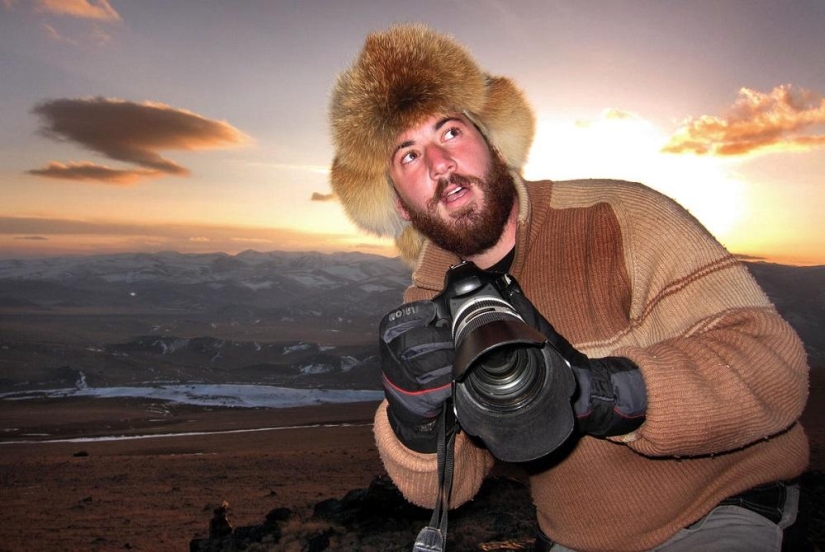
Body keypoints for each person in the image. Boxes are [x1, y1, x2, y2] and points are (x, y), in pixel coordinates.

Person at [328, 24, 811, 552]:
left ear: (491, 143)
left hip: (718, 511)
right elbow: (444, 488)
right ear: (400, 203)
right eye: (410, 156)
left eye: (449, 133)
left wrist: (604, 392)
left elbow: (775, 365)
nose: (441, 166)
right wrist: (414, 420)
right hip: (577, 539)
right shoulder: (430, 301)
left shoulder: (620, 216)